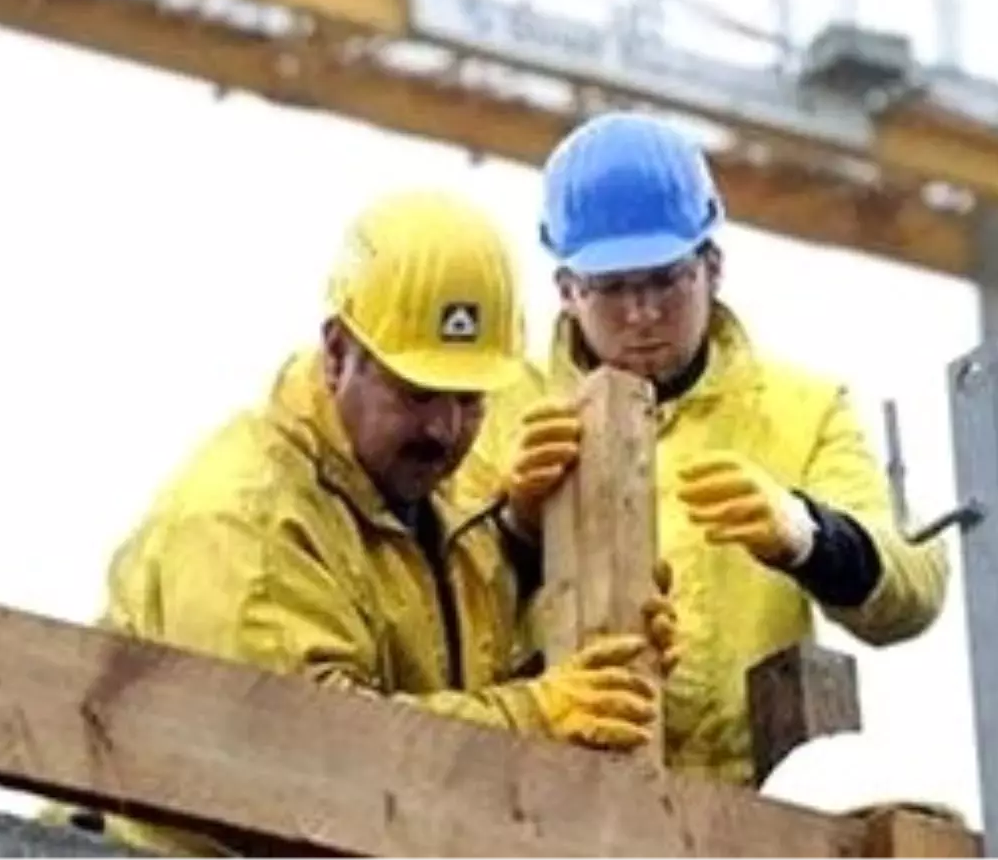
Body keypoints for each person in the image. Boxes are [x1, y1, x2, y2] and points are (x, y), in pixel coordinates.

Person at [48, 189, 678, 857]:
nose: (444, 429)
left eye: (469, 400)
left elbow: (444, 675)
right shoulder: (245, 521)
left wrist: (554, 590)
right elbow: (305, 764)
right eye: (415, 394)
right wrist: (535, 717)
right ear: (337, 352)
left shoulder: (444, 500)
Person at [472, 111, 949, 789]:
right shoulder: (493, 411)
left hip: (750, 822)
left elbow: (913, 590)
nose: (641, 313)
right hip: (542, 805)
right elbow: (436, 617)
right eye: (612, 288)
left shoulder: (801, 411)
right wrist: (514, 530)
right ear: (567, 292)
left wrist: (806, 535)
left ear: (713, 267)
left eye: (666, 280)